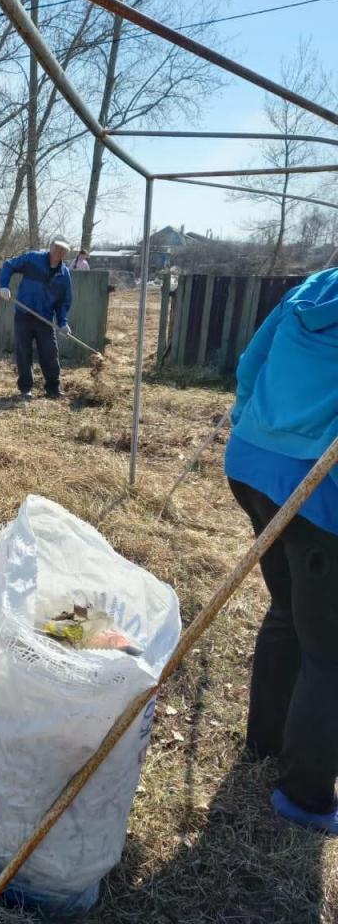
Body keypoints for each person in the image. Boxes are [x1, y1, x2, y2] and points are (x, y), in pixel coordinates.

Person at [225, 267, 338, 833]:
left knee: (289, 612)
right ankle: (305, 794)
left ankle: (266, 744)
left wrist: (246, 418)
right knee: (329, 650)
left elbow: (249, 364)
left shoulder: (312, 287)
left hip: (252, 466)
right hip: (316, 490)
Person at [0, 234, 73, 399]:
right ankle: (26, 389)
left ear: (66, 253)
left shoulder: (64, 274)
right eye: (56, 247)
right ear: (51, 246)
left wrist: (63, 322)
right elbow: (9, 265)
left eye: (62, 249)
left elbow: (63, 302)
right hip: (24, 314)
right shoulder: (33, 258)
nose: (58, 251)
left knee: (50, 352)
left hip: (45, 319)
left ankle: (53, 388)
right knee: (24, 352)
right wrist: (3, 285)